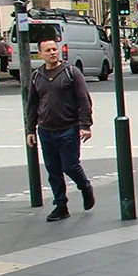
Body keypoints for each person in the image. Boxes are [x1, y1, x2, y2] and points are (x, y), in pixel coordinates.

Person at [24, 37, 95, 222]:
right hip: (46, 130)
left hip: (69, 128)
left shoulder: (71, 72)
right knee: (53, 169)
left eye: (54, 49)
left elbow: (84, 99)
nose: (52, 53)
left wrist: (85, 125)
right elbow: (32, 104)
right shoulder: (36, 76)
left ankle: (85, 187)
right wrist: (30, 129)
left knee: (70, 165)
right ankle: (61, 205)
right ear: (40, 54)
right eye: (47, 50)